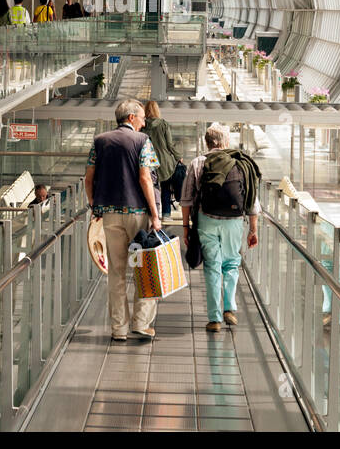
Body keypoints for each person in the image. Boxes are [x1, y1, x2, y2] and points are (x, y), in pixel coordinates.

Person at [84, 98, 161, 342]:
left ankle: (119, 329)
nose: (144, 121)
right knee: (144, 268)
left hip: (109, 216)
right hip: (137, 215)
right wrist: (155, 215)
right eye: (141, 117)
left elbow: (88, 178)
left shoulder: (100, 141)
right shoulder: (142, 141)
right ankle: (141, 323)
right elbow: (146, 178)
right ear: (131, 118)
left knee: (116, 272)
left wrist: (94, 204)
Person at [180, 123, 260, 333]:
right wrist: (253, 229)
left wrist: (186, 227)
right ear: (226, 142)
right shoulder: (240, 163)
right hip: (233, 221)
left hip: (206, 220)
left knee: (212, 267)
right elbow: (252, 201)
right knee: (232, 263)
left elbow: (186, 199)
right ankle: (229, 309)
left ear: (206, 142)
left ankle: (214, 318)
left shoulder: (198, 162)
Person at [142, 100, 181, 219]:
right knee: (166, 187)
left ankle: (151, 213)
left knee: (150, 186)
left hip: (148, 162)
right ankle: (166, 214)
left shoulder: (142, 126)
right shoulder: (163, 124)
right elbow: (169, 144)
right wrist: (178, 156)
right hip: (164, 161)